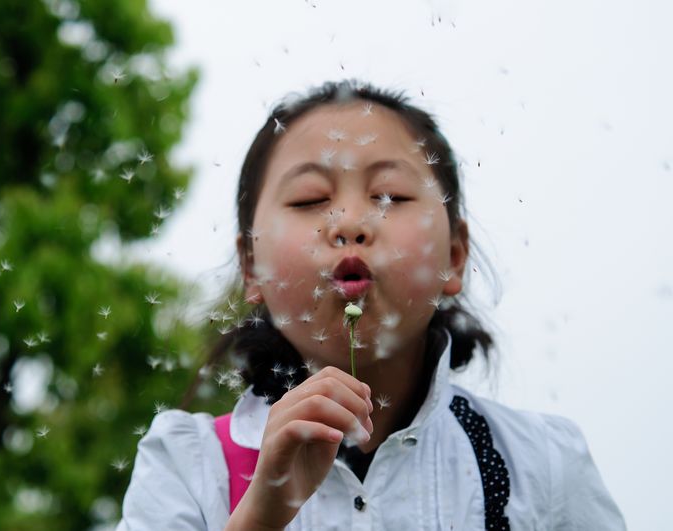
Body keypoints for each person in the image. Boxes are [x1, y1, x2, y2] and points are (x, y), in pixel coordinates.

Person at [116, 80, 625, 530]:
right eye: (309, 199)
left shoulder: (543, 466)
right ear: (252, 265)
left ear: (453, 257)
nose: (349, 223)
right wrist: (261, 516)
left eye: (391, 195)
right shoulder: (187, 463)